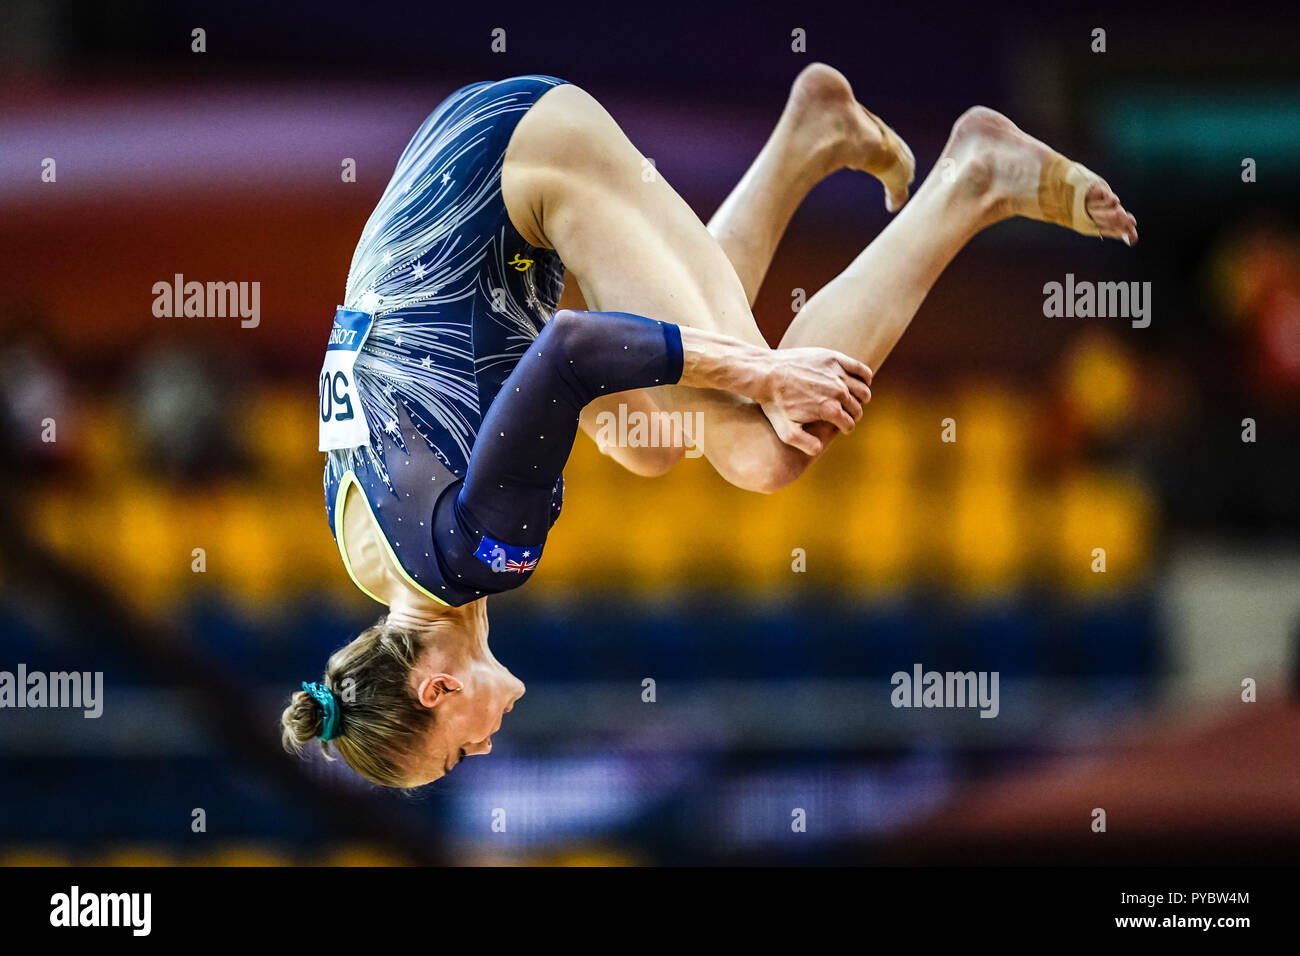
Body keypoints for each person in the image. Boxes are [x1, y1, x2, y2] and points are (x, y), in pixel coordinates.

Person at [283, 65, 1138, 787]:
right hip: (470, 167)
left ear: (435, 691)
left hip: (519, 169)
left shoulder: (470, 558)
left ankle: (973, 178)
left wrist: (767, 373)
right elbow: (506, 364)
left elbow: (576, 345)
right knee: (656, 443)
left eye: (457, 752)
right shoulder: (368, 558)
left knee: (760, 447)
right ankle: (807, 138)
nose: (484, 746)